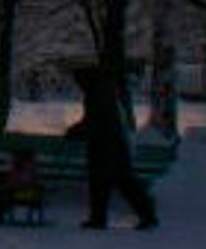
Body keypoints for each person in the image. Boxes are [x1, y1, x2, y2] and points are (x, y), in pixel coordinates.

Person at [66, 63, 159, 230]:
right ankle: (146, 213)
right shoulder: (103, 91)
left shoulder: (95, 94)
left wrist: (76, 131)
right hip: (115, 145)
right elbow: (98, 120)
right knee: (124, 182)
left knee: (101, 183)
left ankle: (99, 218)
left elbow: (96, 121)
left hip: (103, 146)